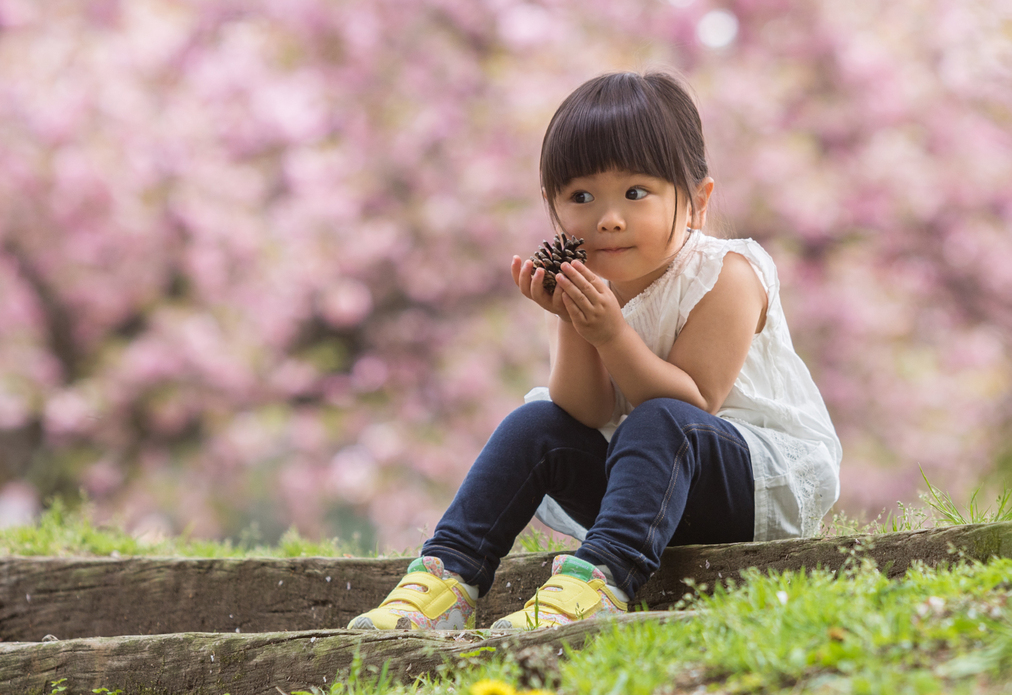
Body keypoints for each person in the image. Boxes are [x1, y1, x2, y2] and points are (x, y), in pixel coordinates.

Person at [348, 70, 842, 631]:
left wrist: (610, 333)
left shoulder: (727, 274)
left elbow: (694, 403)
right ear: (552, 208)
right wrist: (573, 321)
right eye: (581, 197)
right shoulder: (594, 286)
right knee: (535, 423)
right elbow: (585, 412)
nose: (609, 218)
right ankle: (448, 576)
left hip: (749, 486)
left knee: (659, 420)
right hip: (647, 493)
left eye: (636, 193)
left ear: (697, 201)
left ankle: (602, 579)